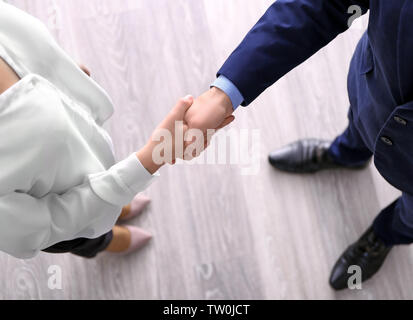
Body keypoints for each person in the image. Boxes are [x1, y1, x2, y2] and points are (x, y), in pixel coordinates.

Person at [184, 0, 413, 290]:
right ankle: (346, 154)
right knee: (360, 122)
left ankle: (385, 235)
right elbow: (322, 5)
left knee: (410, 216)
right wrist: (225, 93)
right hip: (375, 89)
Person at [0, 2, 196, 259]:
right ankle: (111, 240)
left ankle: (117, 202)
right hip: (72, 215)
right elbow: (51, 226)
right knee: (90, 236)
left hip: (84, 151)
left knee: (109, 190)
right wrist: (150, 158)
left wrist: (63, 72)